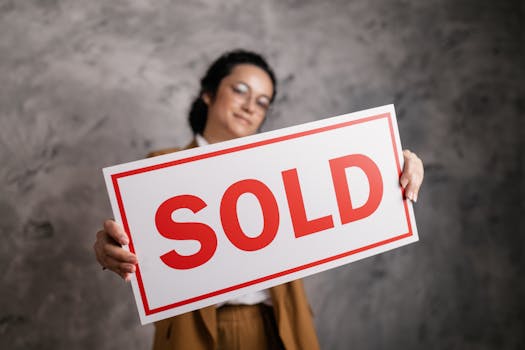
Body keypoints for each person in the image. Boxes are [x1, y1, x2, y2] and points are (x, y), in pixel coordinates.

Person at [94, 50, 424, 350]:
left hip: (277, 326)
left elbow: (350, 183)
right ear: (208, 93)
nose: (251, 106)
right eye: (240, 91)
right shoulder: (159, 166)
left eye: (263, 101)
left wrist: (396, 164)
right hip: (194, 333)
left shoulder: (285, 167)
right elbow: (130, 247)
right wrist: (108, 250)